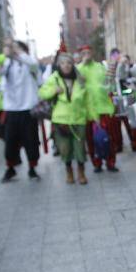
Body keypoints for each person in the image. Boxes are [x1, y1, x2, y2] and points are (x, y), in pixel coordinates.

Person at [39, 52, 91, 184]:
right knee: (65, 149)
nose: (66, 65)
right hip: (61, 120)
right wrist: (53, 91)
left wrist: (91, 115)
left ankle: (81, 172)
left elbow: (87, 99)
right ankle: (69, 172)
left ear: (72, 65)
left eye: (68, 63)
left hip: (79, 119)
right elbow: (42, 93)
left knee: (80, 148)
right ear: (59, 65)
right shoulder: (54, 78)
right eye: (62, 63)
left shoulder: (80, 79)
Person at [0, 38, 41, 182]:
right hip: (11, 110)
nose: (12, 49)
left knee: (31, 141)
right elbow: (0, 80)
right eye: (10, 47)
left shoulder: (28, 62)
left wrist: (17, 54)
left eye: (15, 47)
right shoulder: (7, 63)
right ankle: (10, 168)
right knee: (10, 142)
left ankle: (32, 168)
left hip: (28, 109)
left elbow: (33, 65)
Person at [78, 46, 118, 173]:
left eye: (88, 52)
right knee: (92, 139)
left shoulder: (100, 67)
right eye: (84, 53)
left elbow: (109, 85)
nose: (87, 55)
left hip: (104, 108)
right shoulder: (79, 68)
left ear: (92, 53)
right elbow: (78, 84)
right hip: (89, 110)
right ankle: (97, 163)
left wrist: (112, 95)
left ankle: (110, 162)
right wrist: (82, 65)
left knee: (108, 137)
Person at [111, 50, 136, 154]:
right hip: (118, 102)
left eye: (126, 61)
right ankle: (118, 145)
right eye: (122, 61)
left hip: (130, 101)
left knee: (134, 125)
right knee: (117, 126)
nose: (124, 63)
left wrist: (132, 89)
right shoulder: (114, 71)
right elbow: (114, 84)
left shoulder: (133, 71)